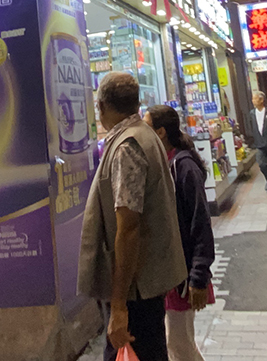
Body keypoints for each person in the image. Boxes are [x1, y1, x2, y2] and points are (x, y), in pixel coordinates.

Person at [78, 73, 188, 361]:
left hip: (136, 292)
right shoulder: (143, 134)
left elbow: (128, 228)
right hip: (143, 286)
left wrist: (118, 307)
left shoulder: (127, 146)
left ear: (101, 106)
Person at [144, 105, 214, 361]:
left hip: (183, 276)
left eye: (147, 125)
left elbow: (201, 223)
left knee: (179, 344)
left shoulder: (183, 167)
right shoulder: (168, 163)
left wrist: (198, 276)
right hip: (172, 273)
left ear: (161, 132)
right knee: (180, 343)